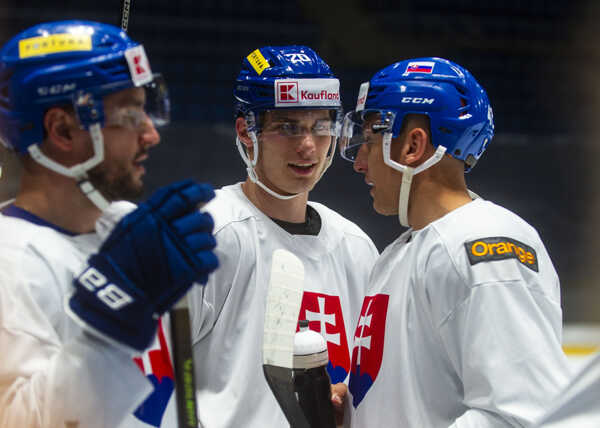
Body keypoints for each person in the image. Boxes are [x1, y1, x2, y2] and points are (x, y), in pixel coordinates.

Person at [0, 20, 218, 428]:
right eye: (130, 115)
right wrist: (110, 323)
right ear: (63, 130)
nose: (151, 134)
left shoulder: (124, 231)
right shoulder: (10, 263)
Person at [339, 57, 571, 427]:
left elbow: (520, 415)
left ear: (413, 146)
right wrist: (354, 408)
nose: (359, 162)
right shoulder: (400, 254)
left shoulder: (486, 245)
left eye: (369, 140)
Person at [188, 45, 379, 428]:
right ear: (246, 131)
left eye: (320, 126)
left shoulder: (357, 248)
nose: (308, 145)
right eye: (287, 127)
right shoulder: (209, 232)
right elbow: (148, 371)